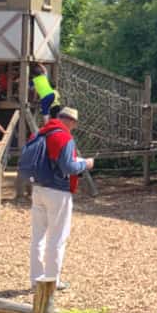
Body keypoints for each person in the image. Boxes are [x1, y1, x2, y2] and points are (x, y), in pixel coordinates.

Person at [30, 106, 93, 290]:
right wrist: (85, 163)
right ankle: (51, 280)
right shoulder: (64, 137)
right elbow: (68, 168)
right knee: (57, 237)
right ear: (71, 122)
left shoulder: (39, 134)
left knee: (38, 237)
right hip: (58, 191)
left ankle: (36, 278)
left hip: (38, 188)